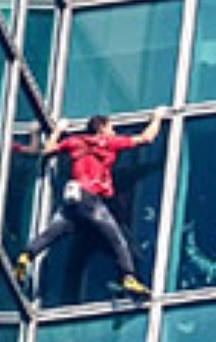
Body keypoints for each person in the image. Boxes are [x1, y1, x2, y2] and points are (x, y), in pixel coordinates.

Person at [15, 114, 163, 299]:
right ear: (101, 128)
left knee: (52, 233)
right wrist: (157, 118)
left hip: (72, 197)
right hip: (90, 198)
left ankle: (26, 256)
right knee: (117, 240)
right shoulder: (108, 142)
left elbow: (48, 150)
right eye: (111, 128)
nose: (113, 132)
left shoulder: (74, 142)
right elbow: (146, 138)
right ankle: (128, 277)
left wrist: (59, 130)